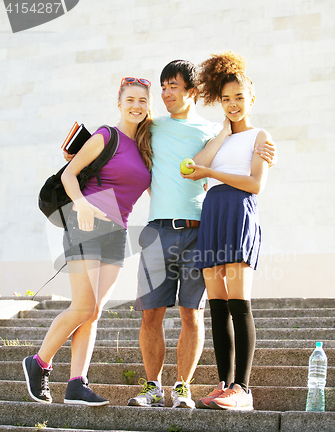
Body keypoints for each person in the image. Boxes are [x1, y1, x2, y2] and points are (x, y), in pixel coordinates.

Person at [128, 60, 275, 409]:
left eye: (173, 86)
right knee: (178, 310)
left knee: (206, 310)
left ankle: (211, 388)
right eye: (226, 98)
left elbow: (250, 171)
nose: (165, 93)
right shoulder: (153, 128)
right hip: (177, 226)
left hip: (211, 225)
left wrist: (265, 151)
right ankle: (179, 386)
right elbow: (125, 150)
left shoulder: (229, 133)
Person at [22, 77, 152, 406]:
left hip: (117, 231)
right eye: (131, 99)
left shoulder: (146, 148)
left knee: (93, 312)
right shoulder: (106, 135)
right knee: (82, 305)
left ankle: (77, 382)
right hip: (88, 222)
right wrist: (80, 202)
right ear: (120, 103)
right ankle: (39, 362)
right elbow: (69, 173)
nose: (136, 105)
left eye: (143, 100)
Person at [181, 51, 272, 411]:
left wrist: (213, 175)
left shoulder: (261, 136)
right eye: (226, 98)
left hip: (238, 212)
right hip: (214, 215)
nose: (234, 104)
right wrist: (221, 134)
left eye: (239, 97)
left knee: (238, 301)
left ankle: (243, 389)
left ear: (251, 98)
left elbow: (255, 184)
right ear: (219, 101)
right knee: (217, 304)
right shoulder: (218, 137)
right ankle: (223, 384)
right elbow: (193, 169)